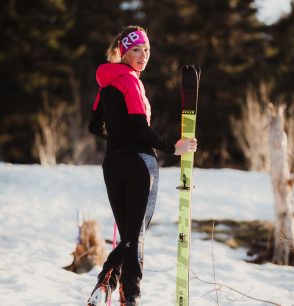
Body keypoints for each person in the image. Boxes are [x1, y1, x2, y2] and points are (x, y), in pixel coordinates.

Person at [87, 25, 197, 306]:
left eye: (146, 50)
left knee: (127, 237)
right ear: (123, 52)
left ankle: (107, 286)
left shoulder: (106, 83)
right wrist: (174, 147)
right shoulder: (130, 81)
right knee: (134, 238)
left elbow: (94, 126)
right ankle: (127, 297)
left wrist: (119, 137)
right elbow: (140, 128)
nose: (143, 55)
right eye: (136, 49)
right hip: (140, 165)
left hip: (112, 165)